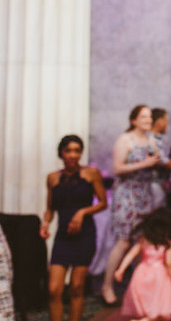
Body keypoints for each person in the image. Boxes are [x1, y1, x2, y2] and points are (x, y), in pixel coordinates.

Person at [101, 105, 163, 306]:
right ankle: (107, 285)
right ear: (133, 120)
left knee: (142, 242)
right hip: (126, 195)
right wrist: (145, 164)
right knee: (124, 241)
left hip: (145, 195)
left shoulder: (152, 139)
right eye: (143, 116)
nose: (148, 119)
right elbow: (117, 168)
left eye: (150, 116)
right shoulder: (125, 140)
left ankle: (138, 289)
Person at [41, 135, 107, 321]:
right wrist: (45, 223)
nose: (73, 155)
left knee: (76, 288)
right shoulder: (53, 178)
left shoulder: (91, 173)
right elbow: (50, 209)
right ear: (61, 153)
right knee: (54, 289)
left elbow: (103, 203)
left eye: (77, 150)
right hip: (63, 237)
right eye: (68, 150)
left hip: (84, 236)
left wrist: (82, 212)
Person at [115, 207, 171, 321]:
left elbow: (131, 254)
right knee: (157, 308)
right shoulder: (168, 244)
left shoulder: (143, 240)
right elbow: (170, 263)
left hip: (141, 273)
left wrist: (120, 270)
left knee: (146, 305)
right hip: (159, 276)